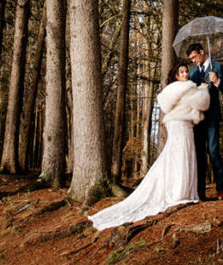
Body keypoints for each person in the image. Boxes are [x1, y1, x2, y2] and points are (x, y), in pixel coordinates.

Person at [89, 63, 209, 230]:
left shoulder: (184, 89)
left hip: (185, 124)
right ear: (176, 75)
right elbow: (200, 103)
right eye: (181, 72)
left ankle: (183, 189)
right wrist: (203, 89)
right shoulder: (179, 89)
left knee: (182, 154)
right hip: (178, 124)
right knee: (179, 153)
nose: (185, 74)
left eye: (186, 71)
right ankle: (178, 191)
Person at [187, 43, 223, 201]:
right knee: (199, 154)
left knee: (213, 151)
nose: (192, 60)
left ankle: (221, 189)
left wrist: (217, 81)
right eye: (190, 58)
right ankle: (200, 191)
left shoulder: (217, 66)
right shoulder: (191, 72)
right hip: (197, 118)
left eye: (194, 57)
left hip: (212, 117)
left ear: (202, 52)